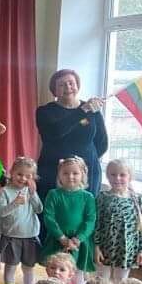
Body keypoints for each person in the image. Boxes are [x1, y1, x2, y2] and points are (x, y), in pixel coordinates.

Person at [36, 69, 108, 200]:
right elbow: (54, 132)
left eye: (71, 83)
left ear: (77, 86)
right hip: (52, 171)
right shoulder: (44, 111)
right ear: (54, 90)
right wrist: (82, 110)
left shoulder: (93, 110)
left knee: (86, 210)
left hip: (87, 172)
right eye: (62, 84)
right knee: (53, 209)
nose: (68, 87)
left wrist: (85, 159)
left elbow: (102, 143)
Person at [39, 156, 97, 284]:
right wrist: (62, 238)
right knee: (56, 272)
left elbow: (90, 220)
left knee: (77, 274)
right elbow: (49, 217)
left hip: (79, 243)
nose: (70, 176)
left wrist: (78, 238)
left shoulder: (88, 197)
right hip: (57, 240)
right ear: (59, 175)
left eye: (75, 173)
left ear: (82, 175)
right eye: (65, 173)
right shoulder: (54, 194)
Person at [94, 160, 142, 284]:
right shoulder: (102, 198)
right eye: (113, 174)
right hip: (105, 248)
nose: (117, 178)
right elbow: (97, 225)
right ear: (107, 176)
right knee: (102, 281)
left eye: (122, 175)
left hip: (126, 250)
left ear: (130, 177)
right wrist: (96, 248)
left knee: (121, 282)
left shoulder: (137, 200)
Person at [0, 157, 43, 284]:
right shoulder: (5, 191)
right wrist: (15, 203)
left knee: (28, 268)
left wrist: (33, 194)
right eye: (19, 174)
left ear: (33, 177)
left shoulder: (30, 190)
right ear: (12, 172)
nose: (23, 178)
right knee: (10, 268)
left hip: (30, 235)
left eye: (28, 176)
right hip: (11, 236)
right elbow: (1, 212)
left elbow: (39, 209)